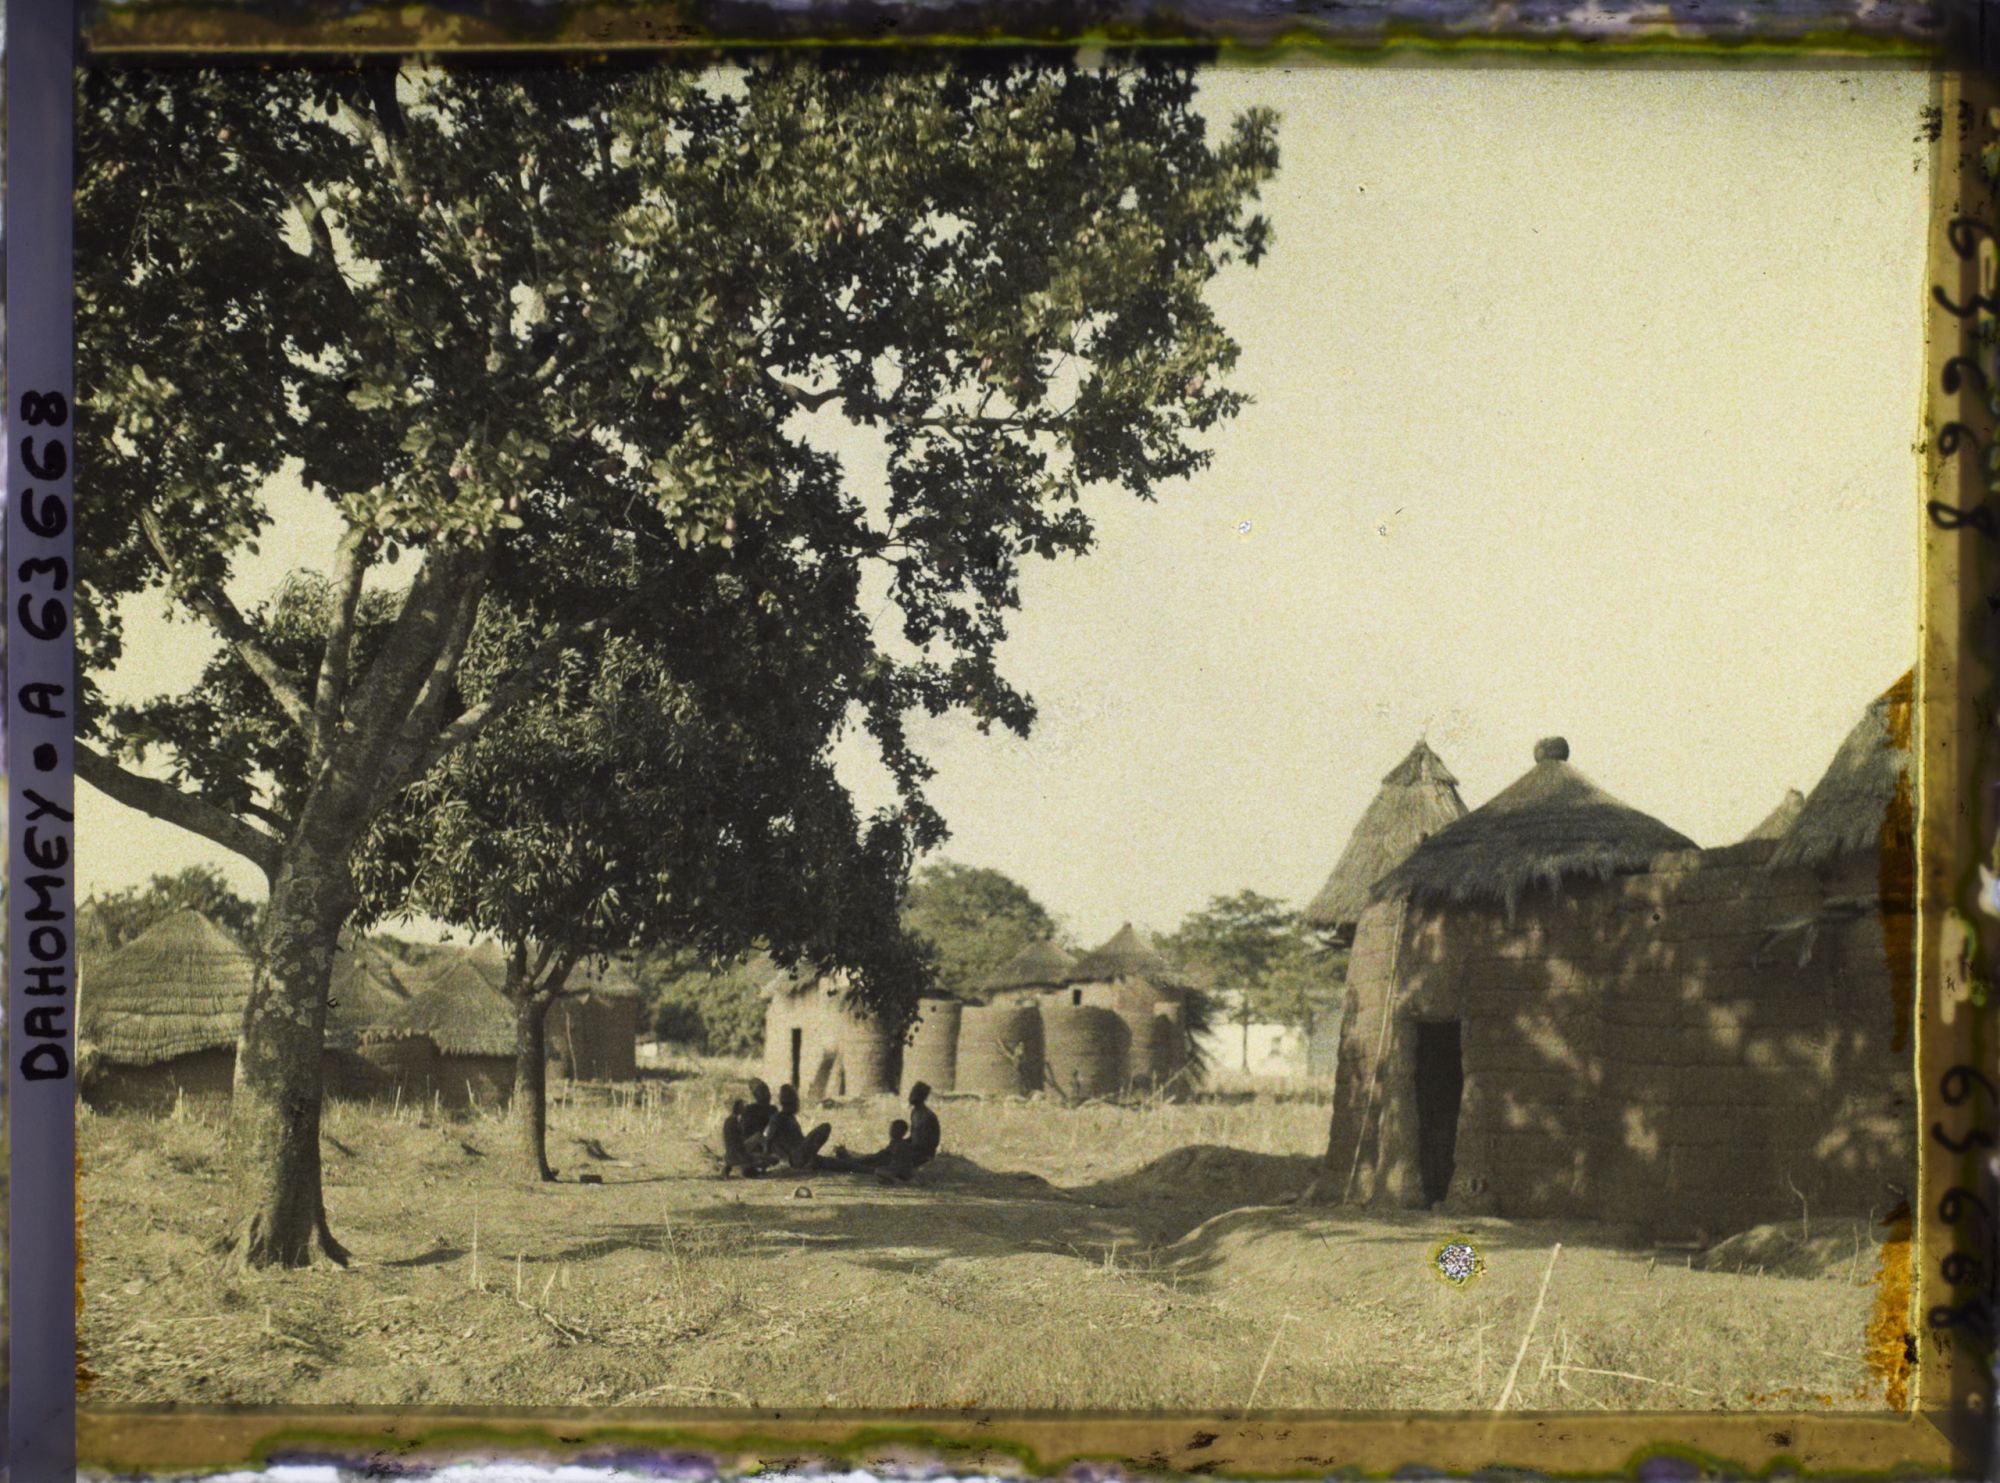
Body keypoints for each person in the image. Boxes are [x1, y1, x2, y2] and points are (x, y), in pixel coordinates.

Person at [762, 1083, 834, 1171]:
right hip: (795, 1158)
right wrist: (766, 1163)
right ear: (793, 1102)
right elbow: (768, 1140)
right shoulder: (778, 1118)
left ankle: (810, 1160)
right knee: (825, 1127)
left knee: (839, 1163)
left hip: (799, 1155)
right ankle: (807, 1162)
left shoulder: (789, 1117)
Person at [880, 1081, 940, 1182]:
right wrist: (901, 1142)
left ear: (923, 1096)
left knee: (889, 1155)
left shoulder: (927, 1116)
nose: (911, 1096)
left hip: (922, 1154)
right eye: (912, 1093)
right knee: (887, 1151)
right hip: (912, 1150)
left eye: (915, 1093)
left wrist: (903, 1146)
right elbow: (913, 1137)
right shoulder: (915, 1112)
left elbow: (929, 1143)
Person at [719, 1079, 777, 1178]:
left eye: (767, 1091)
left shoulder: (772, 1110)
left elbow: (773, 1131)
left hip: (753, 1146)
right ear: (755, 1095)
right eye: (762, 1092)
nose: (767, 1094)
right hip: (746, 1146)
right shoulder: (750, 1110)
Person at [826, 1119, 910, 1173]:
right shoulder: (897, 1143)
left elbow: (878, 1159)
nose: (891, 1131)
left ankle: (844, 1156)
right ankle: (845, 1156)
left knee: (852, 1163)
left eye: (894, 1129)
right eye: (892, 1128)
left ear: (901, 1132)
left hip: (876, 1168)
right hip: (877, 1164)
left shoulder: (897, 1145)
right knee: (858, 1158)